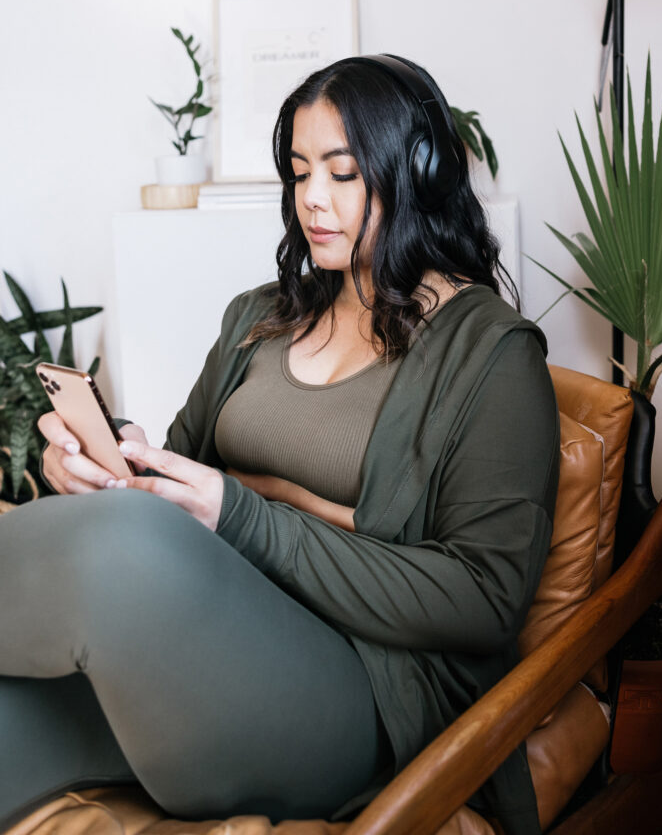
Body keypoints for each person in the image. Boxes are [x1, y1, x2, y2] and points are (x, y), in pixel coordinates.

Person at [0, 55, 559, 835]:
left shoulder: (491, 354)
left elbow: (483, 600)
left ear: (418, 172)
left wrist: (249, 512)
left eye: (343, 172)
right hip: (205, 646)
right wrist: (104, 461)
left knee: (119, 547)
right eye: (299, 173)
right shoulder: (258, 317)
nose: (312, 201)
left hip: (355, 694)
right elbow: (182, 470)